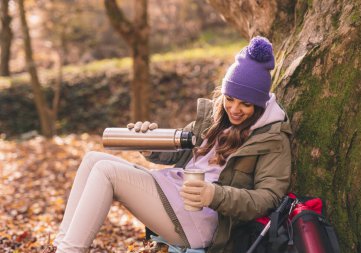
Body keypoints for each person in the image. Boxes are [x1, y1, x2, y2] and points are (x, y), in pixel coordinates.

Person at [49, 36, 292, 253]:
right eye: (230, 99)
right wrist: (149, 145)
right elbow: (179, 151)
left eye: (245, 104)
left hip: (201, 219)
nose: (235, 109)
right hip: (173, 190)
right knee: (93, 159)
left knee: (106, 172)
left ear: (259, 104)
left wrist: (215, 195)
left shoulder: (271, 137)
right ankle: (62, 246)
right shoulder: (216, 117)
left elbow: (267, 198)